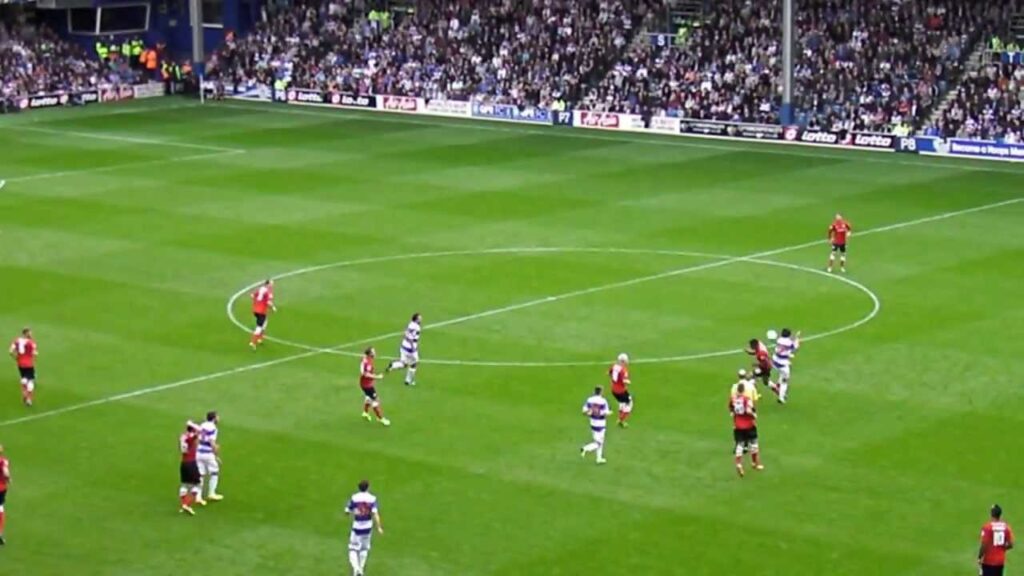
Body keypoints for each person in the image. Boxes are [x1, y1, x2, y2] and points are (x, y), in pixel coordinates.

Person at [345, 480, 383, 576]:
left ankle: (356, 569)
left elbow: (347, 511)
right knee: (364, 549)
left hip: (357, 526)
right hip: (368, 527)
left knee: (353, 549)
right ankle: (360, 570)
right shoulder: (372, 498)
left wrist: (354, 512)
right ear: (368, 487)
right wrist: (378, 527)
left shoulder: (354, 497)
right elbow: (375, 514)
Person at [729, 383, 763, 477]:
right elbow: (749, 410)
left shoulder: (733, 399)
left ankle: (738, 463)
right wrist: (753, 415)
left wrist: (734, 415)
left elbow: (731, 409)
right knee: (754, 444)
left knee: (740, 445)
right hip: (748, 424)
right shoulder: (746, 400)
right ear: (743, 390)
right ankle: (755, 463)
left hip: (738, 425)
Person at [386, 313, 421, 386]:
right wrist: (413, 349)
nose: (421, 319)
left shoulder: (410, 324)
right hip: (410, 348)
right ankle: (408, 381)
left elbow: (406, 334)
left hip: (403, 346)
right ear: (416, 319)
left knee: (404, 364)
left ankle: (393, 365)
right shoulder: (417, 327)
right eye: (419, 318)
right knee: (414, 363)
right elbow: (411, 338)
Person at [979, 504, 1014, 576]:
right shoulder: (1006, 527)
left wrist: (979, 557)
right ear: (1000, 514)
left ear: (991, 514)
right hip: (1000, 561)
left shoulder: (987, 527)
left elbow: (984, 544)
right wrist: (1002, 548)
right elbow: (1011, 544)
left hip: (988, 561)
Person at [197, 411, 223, 503]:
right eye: (217, 417)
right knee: (214, 472)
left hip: (199, 452)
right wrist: (216, 454)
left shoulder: (202, 425)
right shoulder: (213, 428)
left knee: (201, 474)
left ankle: (198, 497)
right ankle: (211, 493)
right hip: (208, 453)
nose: (219, 418)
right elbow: (212, 442)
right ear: (214, 418)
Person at [360, 348, 390, 426]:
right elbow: (365, 374)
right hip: (367, 386)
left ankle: (365, 413)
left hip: (364, 384)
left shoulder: (365, 359)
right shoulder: (368, 363)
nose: (375, 353)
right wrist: (377, 377)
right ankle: (380, 418)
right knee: (375, 401)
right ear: (370, 354)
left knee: (368, 398)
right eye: (373, 352)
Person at [580, 386, 609, 464]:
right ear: (601, 392)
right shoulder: (603, 401)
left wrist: (589, 412)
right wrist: (609, 413)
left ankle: (599, 458)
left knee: (599, 441)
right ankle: (585, 448)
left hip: (592, 422)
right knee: (599, 442)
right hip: (600, 423)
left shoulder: (590, 400)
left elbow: (584, 410)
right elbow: (605, 412)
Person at [771, 328, 800, 404]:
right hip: (783, 364)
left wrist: (789, 354)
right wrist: (797, 337)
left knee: (782, 374)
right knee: (785, 381)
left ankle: (777, 384)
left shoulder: (779, 340)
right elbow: (795, 347)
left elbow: (786, 349)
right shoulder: (789, 342)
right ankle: (781, 397)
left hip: (775, 362)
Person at [9, 328, 38, 406]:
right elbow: (35, 354)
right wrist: (33, 360)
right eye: (30, 333)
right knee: (31, 380)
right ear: (26, 333)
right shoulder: (32, 342)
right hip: (29, 364)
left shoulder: (17, 340)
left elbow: (11, 351)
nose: (31, 334)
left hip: (20, 363)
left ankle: (24, 384)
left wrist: (16, 358)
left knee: (24, 377)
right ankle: (28, 398)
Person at [178, 421, 202, 515]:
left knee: (184, 484)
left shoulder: (183, 436)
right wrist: (192, 424)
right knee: (197, 484)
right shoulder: (190, 438)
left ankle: (184, 504)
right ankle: (187, 505)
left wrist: (190, 425)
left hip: (183, 463)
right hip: (191, 463)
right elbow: (199, 431)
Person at [249, 280, 276, 349]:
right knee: (259, 327)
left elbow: (252, 295)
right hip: (261, 312)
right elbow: (268, 302)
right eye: (271, 284)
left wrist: (257, 303)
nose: (272, 285)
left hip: (256, 310)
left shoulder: (261, 289)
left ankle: (259, 339)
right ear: (267, 284)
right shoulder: (267, 292)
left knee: (264, 324)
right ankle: (253, 342)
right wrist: (273, 307)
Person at [609, 353, 633, 427]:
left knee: (621, 403)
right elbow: (624, 380)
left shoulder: (614, 366)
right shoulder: (623, 370)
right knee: (629, 403)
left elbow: (609, 373)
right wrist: (628, 382)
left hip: (613, 389)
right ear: (623, 361)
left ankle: (620, 416)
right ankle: (621, 421)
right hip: (620, 391)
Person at [0, 444, 9, 545]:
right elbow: (5, 473)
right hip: (1, 488)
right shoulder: (3, 461)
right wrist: (8, 479)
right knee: (0, 508)